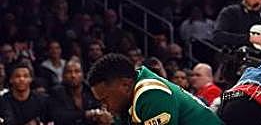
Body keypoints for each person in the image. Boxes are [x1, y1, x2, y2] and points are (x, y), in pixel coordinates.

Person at [86, 53, 222, 125]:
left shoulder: (151, 93)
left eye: (105, 99)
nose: (104, 107)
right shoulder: (129, 101)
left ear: (125, 85)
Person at [49, 60, 111, 125]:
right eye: (69, 72)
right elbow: (58, 117)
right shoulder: (56, 92)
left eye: (77, 71)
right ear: (63, 75)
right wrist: (86, 114)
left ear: (83, 74)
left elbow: (100, 107)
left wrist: (102, 114)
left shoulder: (90, 89)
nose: (73, 75)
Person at [0, 61, 51, 125]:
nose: (22, 79)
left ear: (31, 79)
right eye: (17, 76)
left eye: (25, 76)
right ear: (11, 79)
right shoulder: (2, 102)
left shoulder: (43, 101)